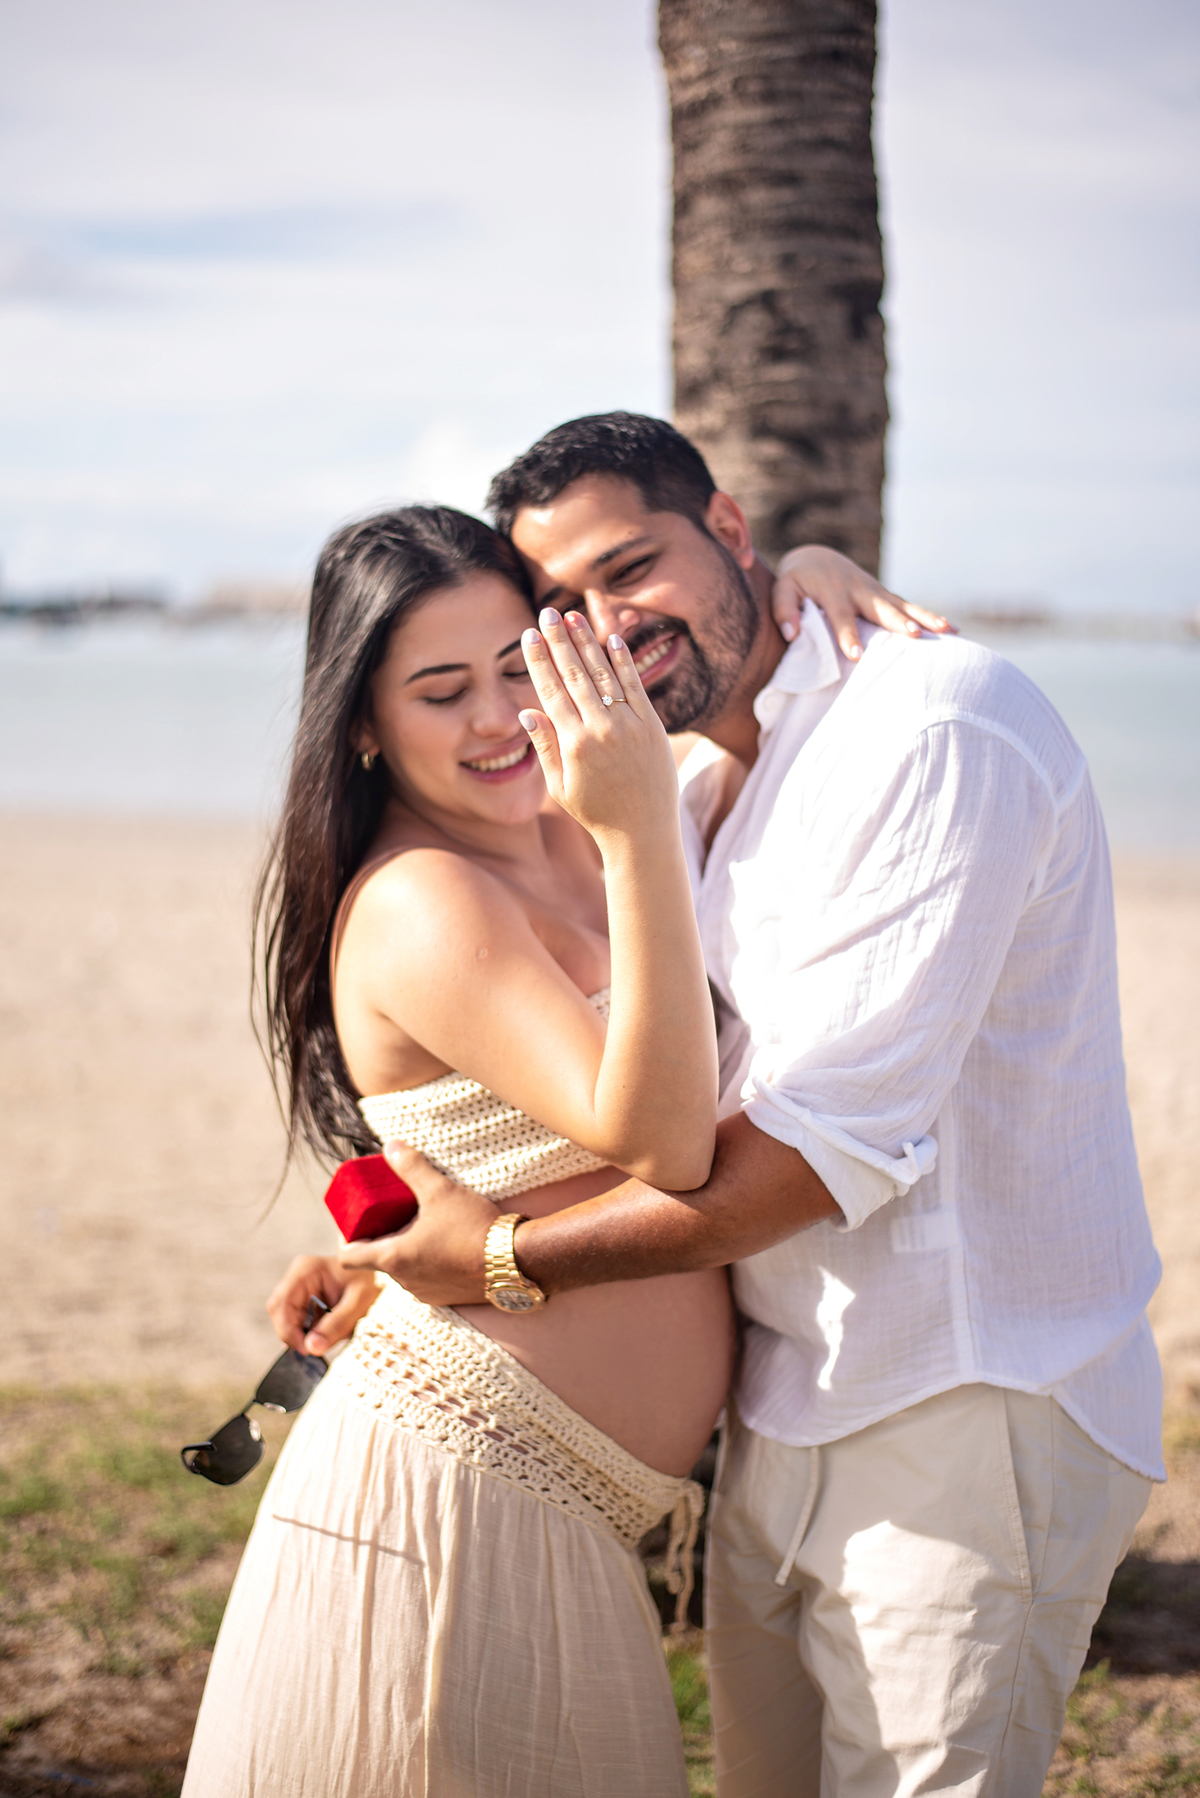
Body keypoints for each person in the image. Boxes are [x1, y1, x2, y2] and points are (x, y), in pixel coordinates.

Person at [343, 414, 1165, 1798]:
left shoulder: (932, 730)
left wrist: (493, 1263)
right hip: (784, 1410)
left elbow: (802, 1161)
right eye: (559, 606)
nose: (604, 623)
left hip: (960, 1404)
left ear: (730, 530)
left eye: (632, 567)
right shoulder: (694, 775)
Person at [182, 503, 917, 1797]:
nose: (497, 715)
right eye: (440, 688)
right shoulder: (430, 894)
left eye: (520, 664)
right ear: (363, 722)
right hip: (456, 1498)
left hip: (556, 1517)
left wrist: (800, 567)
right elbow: (663, 1138)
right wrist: (634, 825)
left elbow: (715, 655)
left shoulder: (581, 826)